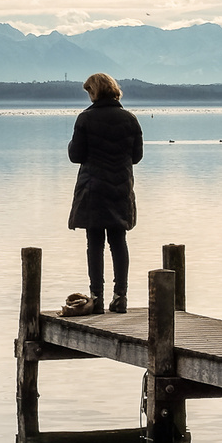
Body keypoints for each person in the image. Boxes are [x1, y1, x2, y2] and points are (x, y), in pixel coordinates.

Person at [67, 73, 143, 313]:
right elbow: (137, 156)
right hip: (120, 187)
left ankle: (96, 298)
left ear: (95, 92)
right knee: (118, 242)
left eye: (89, 91)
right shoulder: (130, 119)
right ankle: (121, 297)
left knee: (95, 243)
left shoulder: (85, 119)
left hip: (93, 188)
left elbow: (75, 155)